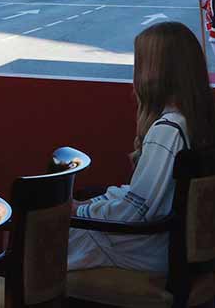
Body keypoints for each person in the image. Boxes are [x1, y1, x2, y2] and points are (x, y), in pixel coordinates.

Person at [69, 21, 215, 274]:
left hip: (150, 251)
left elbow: (135, 211)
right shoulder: (198, 119)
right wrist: (96, 201)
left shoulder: (167, 130)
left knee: (36, 236)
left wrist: (78, 210)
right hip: (179, 249)